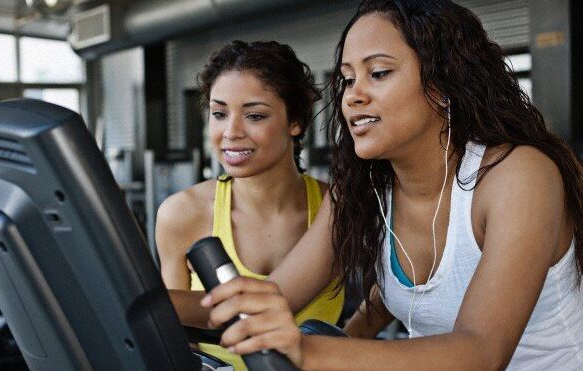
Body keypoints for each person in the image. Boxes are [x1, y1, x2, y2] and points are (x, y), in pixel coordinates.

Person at [199, 1, 583, 370]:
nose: (353, 95)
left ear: (442, 83)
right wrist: (149, 306)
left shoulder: (516, 176)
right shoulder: (367, 189)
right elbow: (271, 298)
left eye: (378, 73)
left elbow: (481, 353)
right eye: (348, 80)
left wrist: (308, 351)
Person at [155, 40, 345, 370]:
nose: (231, 132)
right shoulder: (182, 214)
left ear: (295, 121)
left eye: (254, 115)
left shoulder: (338, 208)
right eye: (218, 113)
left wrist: (348, 340)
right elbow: (177, 341)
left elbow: (386, 298)